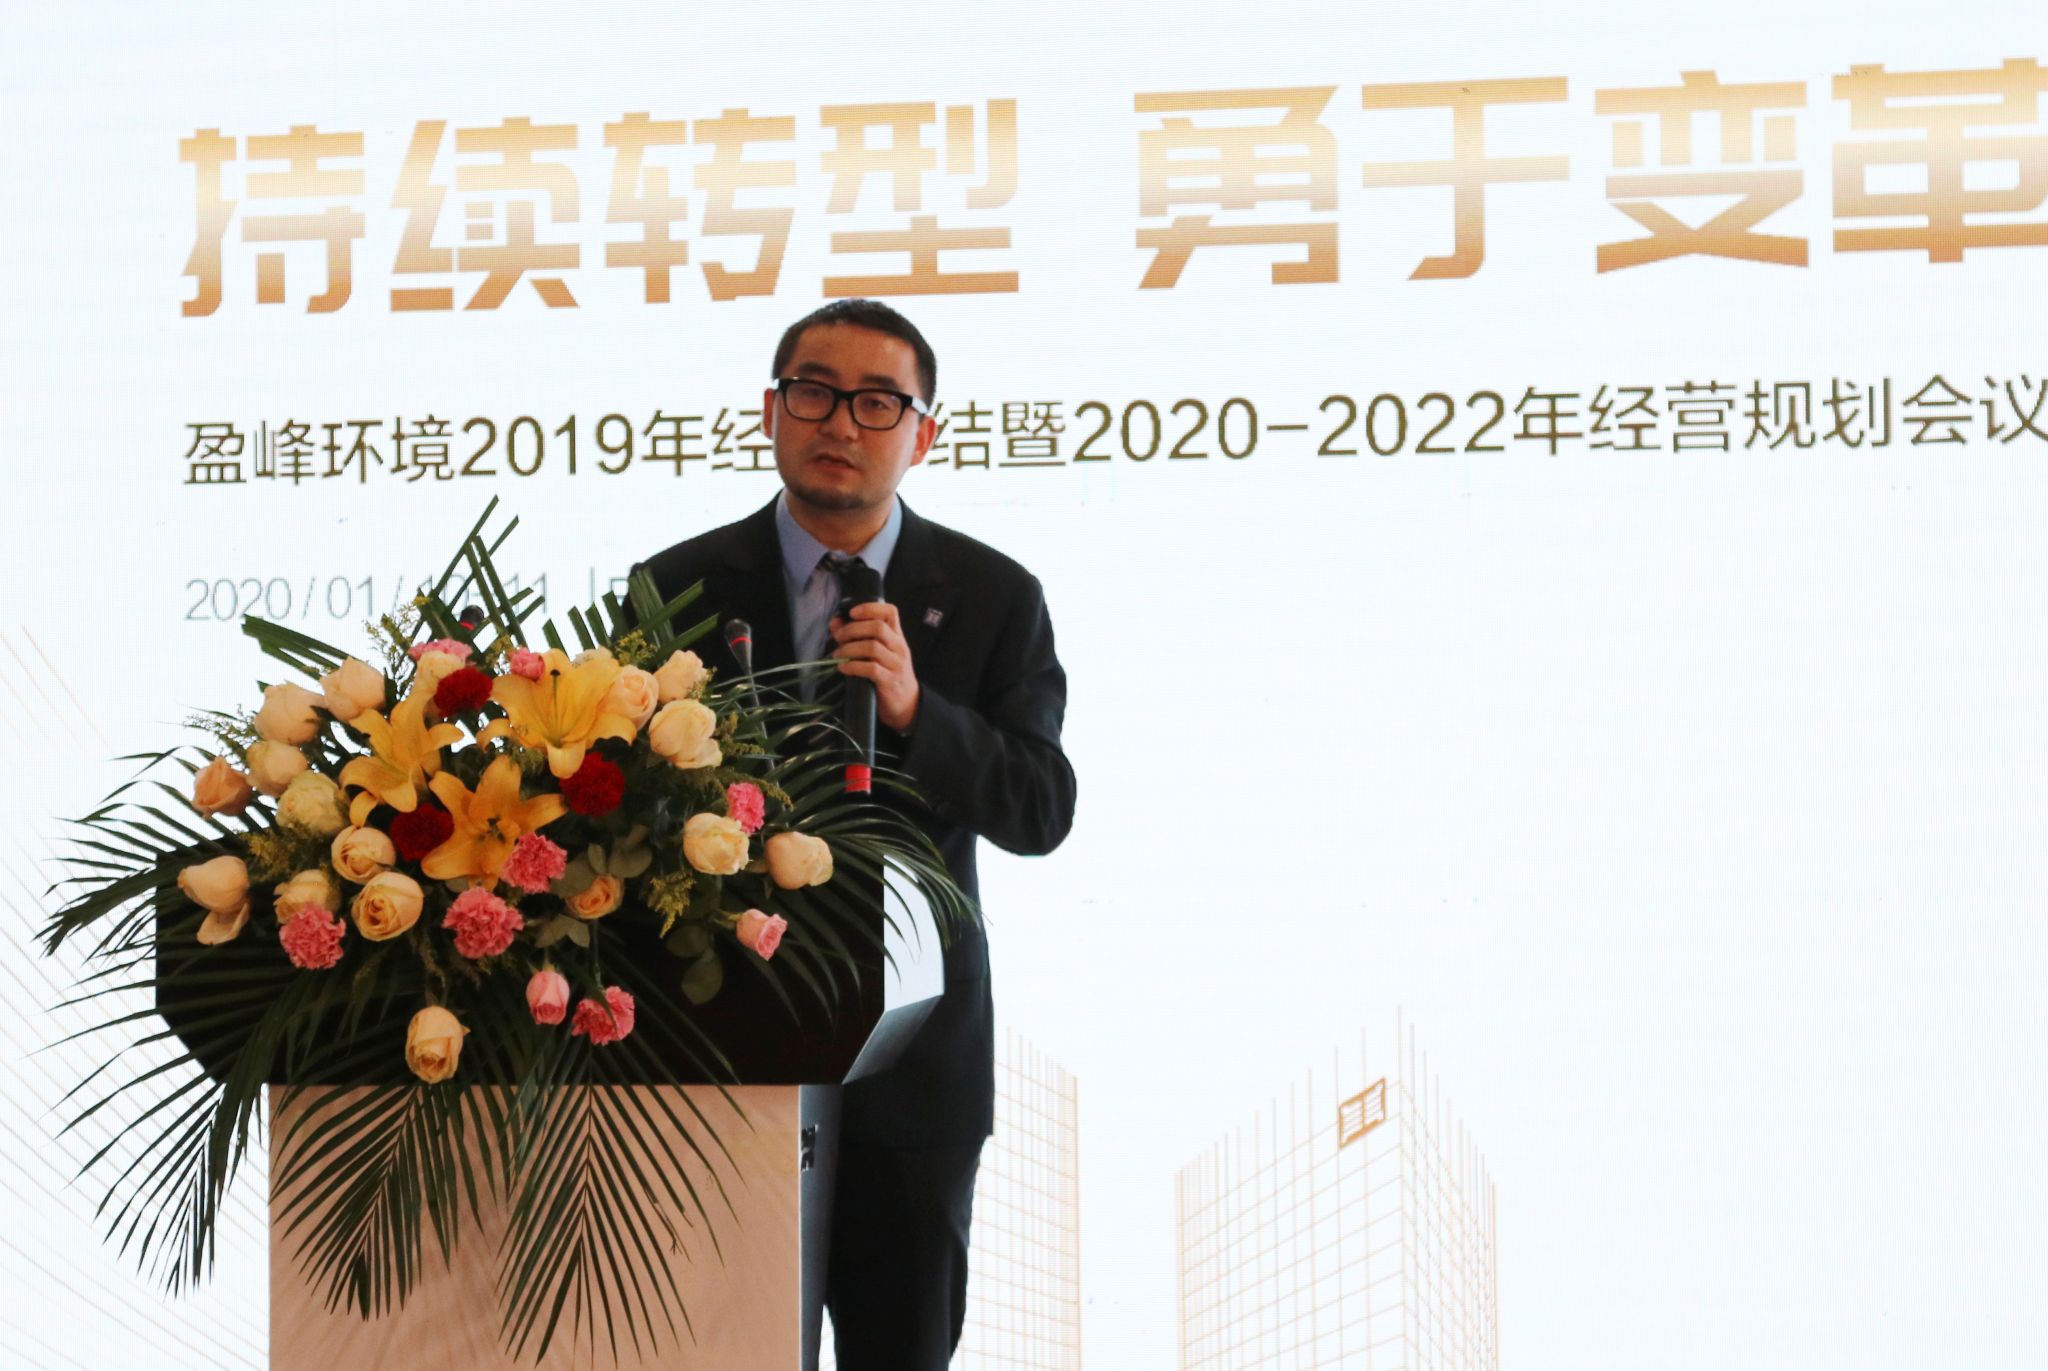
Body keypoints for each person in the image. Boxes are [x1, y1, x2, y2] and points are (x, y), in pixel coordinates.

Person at [626, 298, 1077, 1368]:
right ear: (769, 411)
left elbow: (1039, 807)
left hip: (913, 1067)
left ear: (924, 434)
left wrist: (919, 712)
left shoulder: (993, 594)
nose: (839, 422)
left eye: (878, 402)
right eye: (815, 393)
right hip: (717, 1054)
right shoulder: (675, 587)